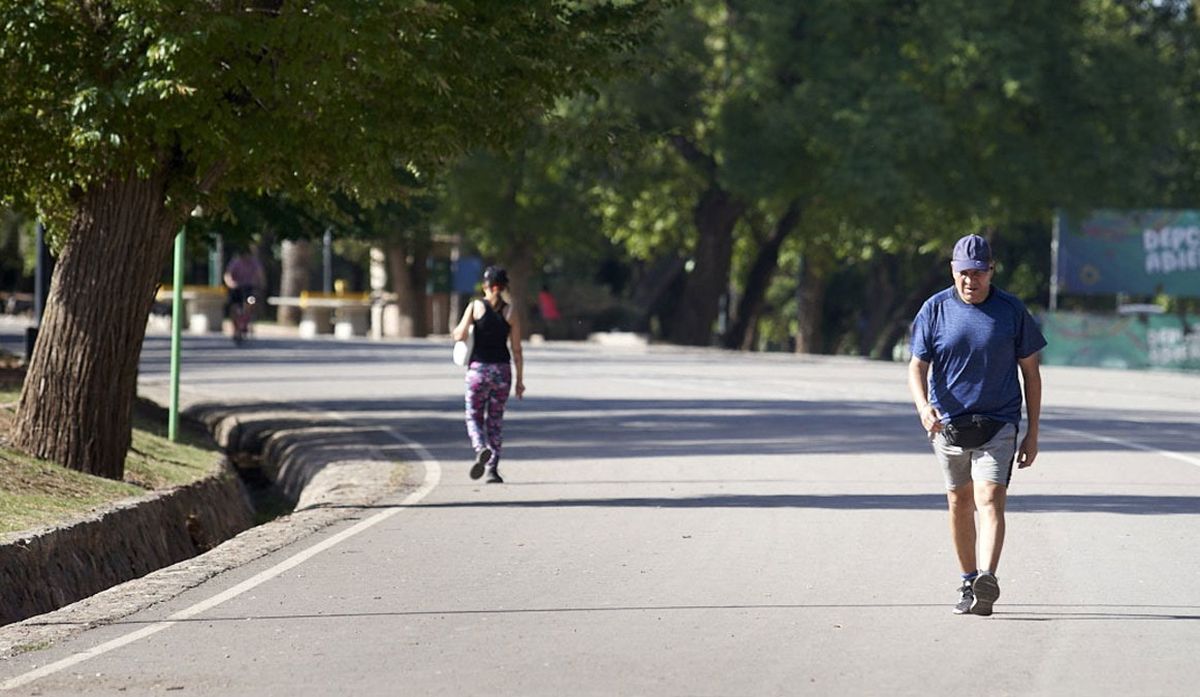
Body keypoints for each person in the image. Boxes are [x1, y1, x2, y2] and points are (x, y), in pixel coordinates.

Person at [907, 234, 1046, 617]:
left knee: (989, 498)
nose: (971, 281)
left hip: (998, 423)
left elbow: (1031, 374)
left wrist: (1032, 432)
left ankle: (987, 578)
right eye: (963, 273)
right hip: (948, 424)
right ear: (953, 271)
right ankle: (968, 579)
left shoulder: (1011, 310)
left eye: (978, 273)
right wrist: (923, 407)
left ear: (991, 270)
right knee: (959, 501)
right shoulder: (935, 309)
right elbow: (917, 367)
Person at [452, 265, 525, 483]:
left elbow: (459, 334)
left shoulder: (475, 307)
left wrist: (462, 332)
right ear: (503, 287)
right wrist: (520, 382)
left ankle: (480, 446)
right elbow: (517, 350)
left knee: (473, 415)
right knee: (495, 420)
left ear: (486, 285)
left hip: (478, 371)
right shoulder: (511, 312)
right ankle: (492, 469)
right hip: (502, 371)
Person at [223, 249, 266, 322]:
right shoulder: (236, 262)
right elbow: (228, 275)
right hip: (237, 287)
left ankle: (247, 316)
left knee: (251, 301)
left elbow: (260, 274)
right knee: (234, 304)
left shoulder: (254, 262)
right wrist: (231, 283)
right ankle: (235, 323)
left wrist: (261, 284)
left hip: (249, 287)